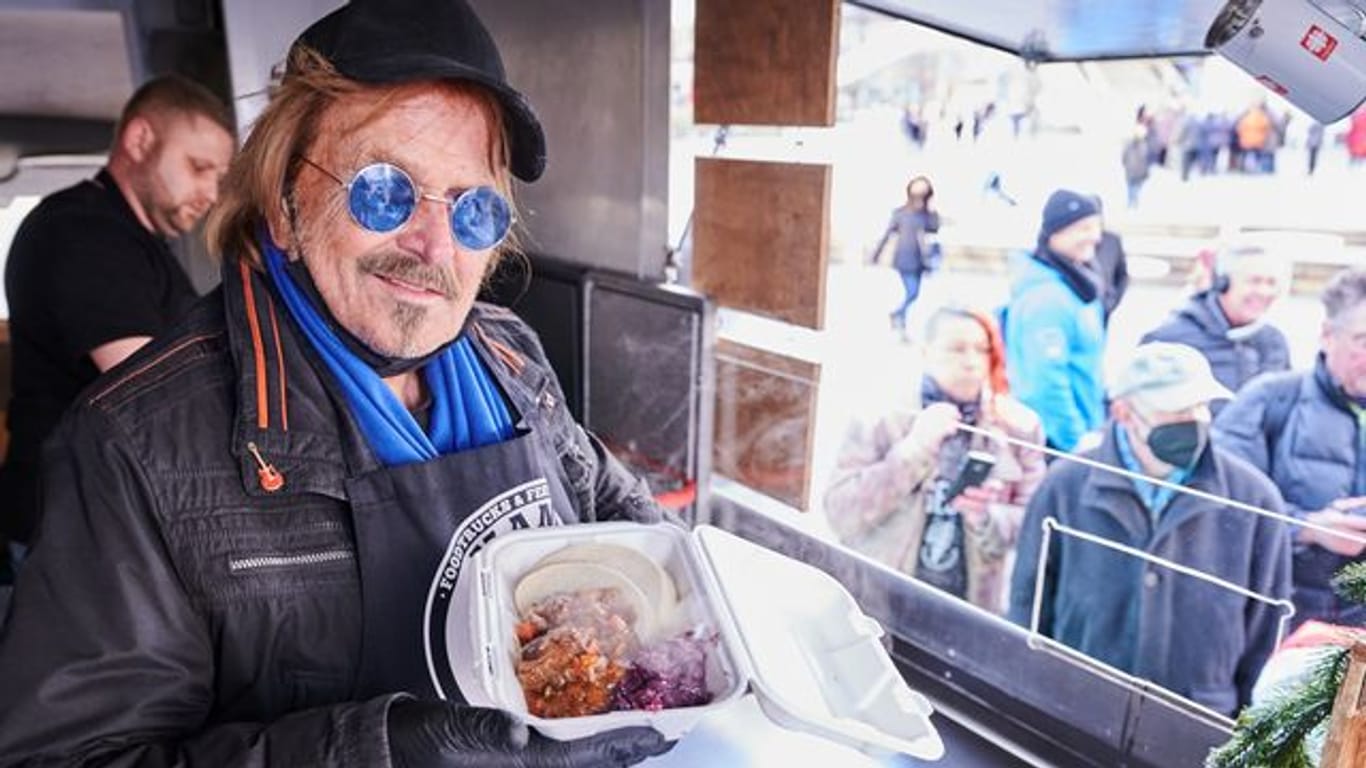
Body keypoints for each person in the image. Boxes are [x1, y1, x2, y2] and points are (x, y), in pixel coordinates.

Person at [0, 2, 674, 765]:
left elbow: (605, 503)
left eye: (474, 208)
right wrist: (373, 752)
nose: (433, 243)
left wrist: (683, 589)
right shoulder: (136, 447)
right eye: (383, 191)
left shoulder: (509, 356)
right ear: (286, 205)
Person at [0, 75, 234, 559]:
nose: (211, 193)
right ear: (140, 140)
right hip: (72, 531)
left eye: (218, 176)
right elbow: (156, 390)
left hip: (103, 521)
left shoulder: (137, 243)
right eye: (197, 167)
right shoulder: (84, 231)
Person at [1008, 342, 1293, 715]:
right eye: (1175, 410)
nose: (1193, 421)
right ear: (1124, 412)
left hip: (1197, 722)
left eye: (1200, 406)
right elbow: (1028, 607)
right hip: (1079, 710)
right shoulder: (1065, 487)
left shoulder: (1255, 501)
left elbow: (1264, 635)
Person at [825, 306, 1045, 613]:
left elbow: (1037, 524)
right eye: (956, 349)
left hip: (974, 611)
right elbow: (840, 512)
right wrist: (913, 451)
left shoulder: (1017, 427)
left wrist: (985, 517)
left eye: (981, 350)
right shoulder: (883, 416)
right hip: (882, 601)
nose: (971, 362)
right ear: (926, 352)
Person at [1214, 267, 1366, 629]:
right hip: (1286, 622)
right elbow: (1216, 504)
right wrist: (1307, 527)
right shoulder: (1269, 399)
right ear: (1327, 336)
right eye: (1363, 340)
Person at [1003, 189, 1106, 452]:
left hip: (1083, 425)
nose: (1094, 236)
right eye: (1083, 228)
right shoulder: (1048, 298)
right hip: (1055, 441)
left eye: (1096, 227)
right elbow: (1045, 382)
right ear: (1056, 232)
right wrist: (1076, 441)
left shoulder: (1074, 283)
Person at [1142, 239, 1291, 408]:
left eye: (1271, 283)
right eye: (1254, 281)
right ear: (1222, 283)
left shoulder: (1274, 341)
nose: (1264, 292)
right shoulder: (1170, 339)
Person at [872, 175, 940, 339]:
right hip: (904, 260)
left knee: (914, 294)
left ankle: (900, 319)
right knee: (912, 293)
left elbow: (934, 229)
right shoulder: (901, 213)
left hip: (920, 262)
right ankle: (898, 316)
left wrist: (930, 209)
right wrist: (876, 254)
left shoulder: (927, 215)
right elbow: (887, 234)